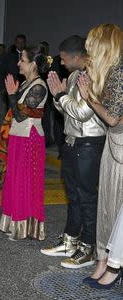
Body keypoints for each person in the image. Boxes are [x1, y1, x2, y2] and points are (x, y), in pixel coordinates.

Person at [40, 35, 106, 269]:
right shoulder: (76, 75)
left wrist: (61, 95)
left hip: (89, 144)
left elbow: (83, 112)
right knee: (74, 195)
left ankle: (89, 248)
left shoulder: (96, 76)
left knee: (87, 197)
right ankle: (71, 241)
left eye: (65, 58)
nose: (62, 62)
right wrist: (58, 94)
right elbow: (65, 109)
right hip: (71, 142)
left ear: (78, 56)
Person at [77, 24, 123, 288]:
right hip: (113, 144)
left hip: (120, 146)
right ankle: (103, 260)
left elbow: (113, 118)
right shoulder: (110, 73)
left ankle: (113, 265)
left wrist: (89, 98)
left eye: (92, 43)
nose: (88, 49)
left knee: (116, 207)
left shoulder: (119, 74)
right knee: (106, 204)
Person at [0, 44, 50, 241]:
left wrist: (11, 95)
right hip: (19, 137)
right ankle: (15, 224)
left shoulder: (39, 86)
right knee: (15, 180)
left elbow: (19, 115)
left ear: (34, 64)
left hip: (30, 139)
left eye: (23, 60)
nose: (18, 63)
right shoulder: (26, 83)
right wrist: (13, 93)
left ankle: (25, 227)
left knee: (26, 183)